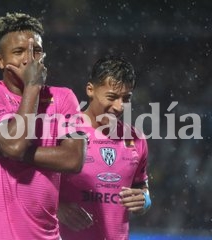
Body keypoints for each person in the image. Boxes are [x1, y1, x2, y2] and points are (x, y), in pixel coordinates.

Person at [0, 12, 87, 240]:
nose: (28, 60)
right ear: (0, 60)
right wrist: (32, 87)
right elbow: (15, 145)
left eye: (36, 52)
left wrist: (2, 154)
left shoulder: (63, 97)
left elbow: (74, 160)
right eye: (19, 52)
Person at [58, 55, 151, 240]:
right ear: (90, 89)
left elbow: (141, 186)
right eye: (112, 97)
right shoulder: (62, 132)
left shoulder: (136, 139)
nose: (119, 106)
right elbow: (33, 186)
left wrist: (145, 200)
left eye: (126, 98)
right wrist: (58, 207)